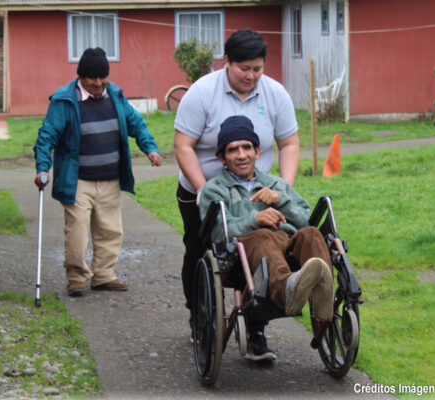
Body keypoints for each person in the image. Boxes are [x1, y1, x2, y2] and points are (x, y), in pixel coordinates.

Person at [174, 28, 300, 355]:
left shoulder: (275, 94)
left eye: (257, 69)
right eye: (244, 69)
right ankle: (200, 317)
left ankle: (256, 328)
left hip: (254, 189)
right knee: (200, 250)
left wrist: (281, 189)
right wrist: (205, 192)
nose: (251, 76)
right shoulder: (202, 93)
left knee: (258, 248)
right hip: (204, 187)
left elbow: (288, 143)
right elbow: (183, 145)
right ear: (227, 62)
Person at [199, 115, 334, 361]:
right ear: (222, 158)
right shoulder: (214, 190)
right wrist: (255, 219)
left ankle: (324, 296)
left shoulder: (275, 184)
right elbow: (217, 234)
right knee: (263, 235)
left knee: (312, 234)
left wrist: (280, 200)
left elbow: (307, 221)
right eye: (233, 150)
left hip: (287, 246)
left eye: (247, 147)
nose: (241, 155)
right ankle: (287, 292)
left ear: (257, 151)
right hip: (244, 256)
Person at [33, 47, 162, 297]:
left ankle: (103, 276)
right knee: (77, 233)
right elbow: (46, 136)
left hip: (110, 178)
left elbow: (137, 124)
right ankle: (76, 278)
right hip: (78, 180)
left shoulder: (115, 95)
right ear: (80, 76)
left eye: (103, 77)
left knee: (110, 231)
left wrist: (151, 149)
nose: (98, 83)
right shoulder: (64, 100)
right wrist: (42, 168)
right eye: (92, 78)